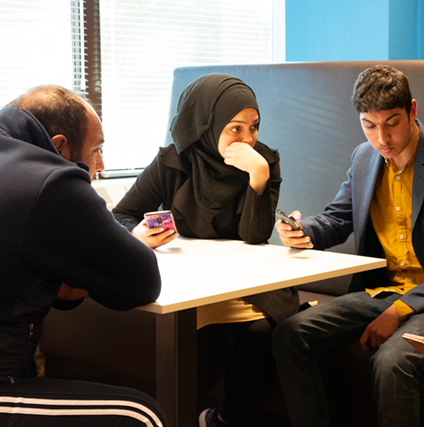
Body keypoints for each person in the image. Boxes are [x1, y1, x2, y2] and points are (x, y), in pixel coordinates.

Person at [271, 65, 424, 427]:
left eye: (392, 123)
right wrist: (304, 231)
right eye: (369, 125)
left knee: (391, 361)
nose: (381, 137)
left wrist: (398, 310)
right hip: (382, 288)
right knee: (291, 334)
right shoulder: (364, 158)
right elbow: (339, 217)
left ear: (413, 111)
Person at [112, 73, 298, 427]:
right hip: (194, 286)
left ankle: (222, 419)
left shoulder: (263, 163)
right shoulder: (173, 161)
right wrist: (136, 233)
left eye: (254, 128)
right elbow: (121, 214)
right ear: (207, 126)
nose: (247, 140)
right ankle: (169, 418)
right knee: (215, 341)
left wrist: (258, 180)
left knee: (263, 335)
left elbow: (255, 237)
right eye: (235, 129)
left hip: (248, 285)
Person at [0, 85, 166, 427]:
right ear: (59, 146)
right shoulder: (48, 180)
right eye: (97, 149)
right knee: (141, 415)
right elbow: (141, 281)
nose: (101, 165)